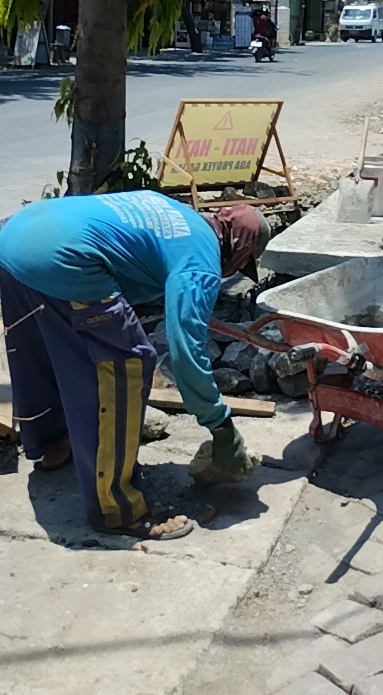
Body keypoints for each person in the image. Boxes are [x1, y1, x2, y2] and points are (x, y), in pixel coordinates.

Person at [0, 191, 270, 541]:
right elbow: (185, 353)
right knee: (128, 362)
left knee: (47, 343)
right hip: (62, 259)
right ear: (240, 249)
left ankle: (53, 443)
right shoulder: (202, 260)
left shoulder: (179, 214)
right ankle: (119, 509)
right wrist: (220, 426)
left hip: (15, 240)